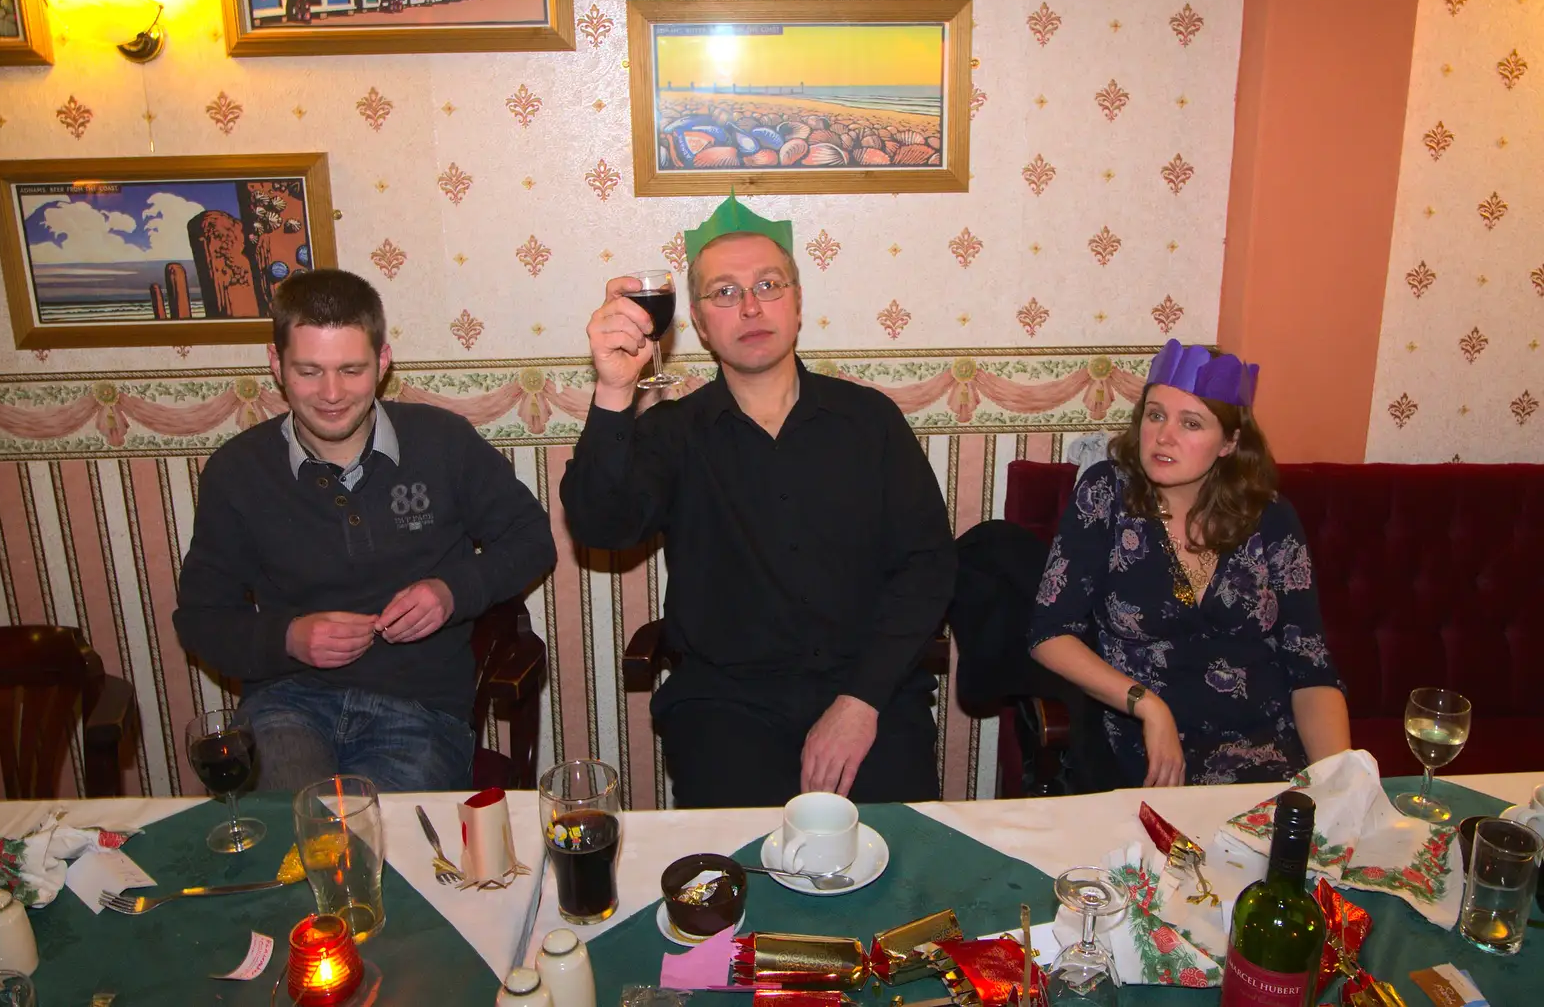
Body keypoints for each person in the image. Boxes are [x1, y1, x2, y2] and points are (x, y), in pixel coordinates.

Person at [560, 194, 956, 808]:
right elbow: (601, 525)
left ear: (797, 303)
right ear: (695, 318)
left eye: (768, 285)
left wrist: (860, 702)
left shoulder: (868, 421)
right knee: (736, 877)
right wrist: (614, 392)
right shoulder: (672, 431)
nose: (749, 306)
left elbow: (928, 565)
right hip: (727, 706)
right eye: (724, 292)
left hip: (868, 693)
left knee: (901, 873)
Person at [174, 269, 556, 792]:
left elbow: (532, 540)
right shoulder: (236, 471)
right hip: (287, 703)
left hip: (421, 711)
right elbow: (200, 619)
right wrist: (289, 636)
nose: (331, 394)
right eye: (309, 371)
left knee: (374, 836)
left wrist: (451, 592)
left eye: (351, 370)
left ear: (382, 362)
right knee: (300, 828)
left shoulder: (442, 441)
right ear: (275, 364)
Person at [1027, 340, 1350, 788]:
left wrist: (1340, 783)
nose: (1164, 436)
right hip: (1142, 753)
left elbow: (1310, 666)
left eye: (1191, 423)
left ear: (1230, 443)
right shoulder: (1106, 494)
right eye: (1155, 415)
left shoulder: (1272, 517)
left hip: (1264, 756)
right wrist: (1148, 705)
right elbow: (1049, 633)